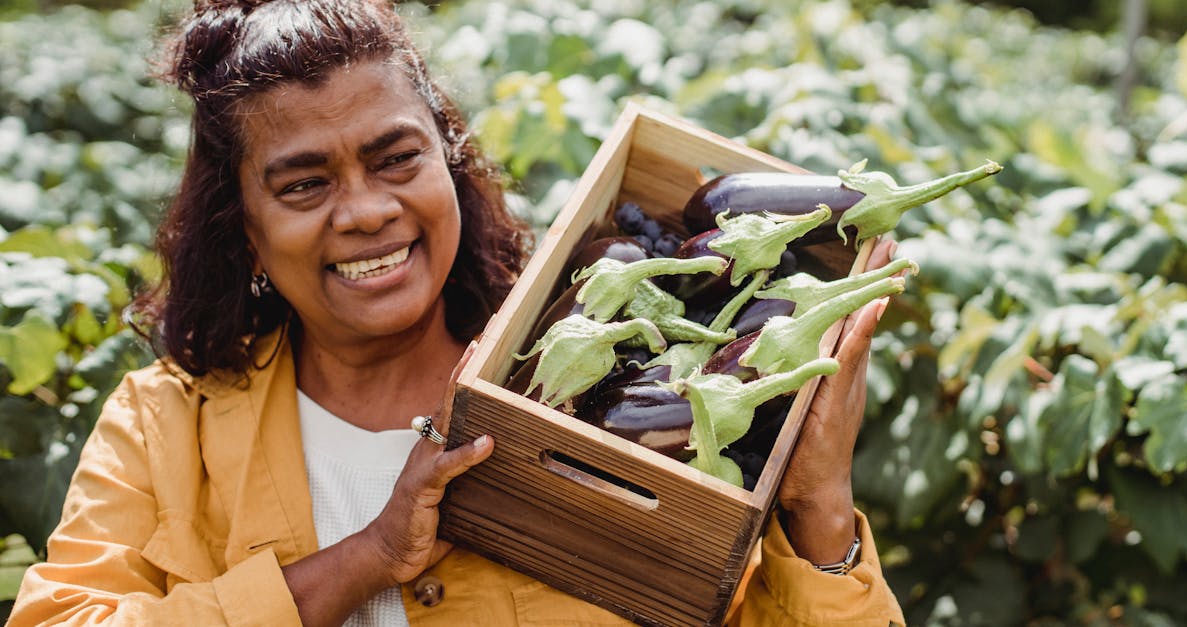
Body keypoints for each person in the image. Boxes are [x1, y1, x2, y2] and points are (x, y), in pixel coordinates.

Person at [10, 0, 906, 625]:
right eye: (305, 182)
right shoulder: (164, 425)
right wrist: (366, 556)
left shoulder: (609, 383)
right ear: (243, 227)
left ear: (450, 164)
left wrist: (818, 503)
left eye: (396, 157)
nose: (364, 210)